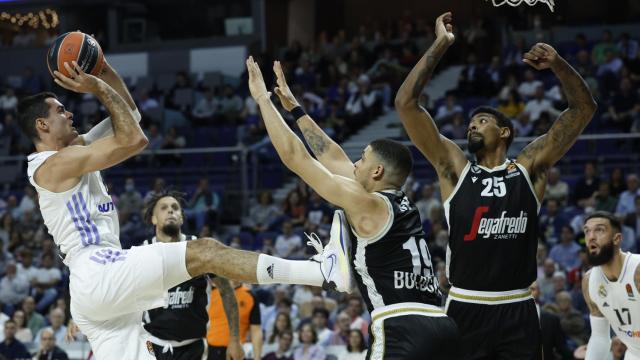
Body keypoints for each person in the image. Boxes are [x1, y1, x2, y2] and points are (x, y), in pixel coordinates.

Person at [19, 55, 349, 359]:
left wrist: (102, 66)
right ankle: (320, 272)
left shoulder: (75, 151)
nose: (70, 113)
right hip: (97, 270)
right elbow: (134, 140)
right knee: (205, 250)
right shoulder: (51, 167)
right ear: (42, 126)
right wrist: (98, 87)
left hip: (96, 290)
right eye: (60, 110)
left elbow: (130, 116)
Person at [395, 12, 597, 360]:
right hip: (465, 305)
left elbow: (583, 109)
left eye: (482, 121)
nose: (472, 126)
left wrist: (558, 65)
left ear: (504, 132)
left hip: (517, 306)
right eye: (471, 123)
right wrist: (441, 45)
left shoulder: (529, 168)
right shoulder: (455, 170)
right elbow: (406, 104)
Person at [246, 54, 459, 359]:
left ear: (377, 172)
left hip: (401, 325)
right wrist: (295, 108)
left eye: (361, 159)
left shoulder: (368, 204)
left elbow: (296, 157)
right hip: (441, 324)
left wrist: (263, 100)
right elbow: (332, 156)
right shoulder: (400, 204)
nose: (354, 164)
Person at [140, 191, 240, 359]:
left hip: (194, 347)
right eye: (164, 208)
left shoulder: (199, 251)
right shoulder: (143, 253)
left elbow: (227, 291)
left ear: (182, 218)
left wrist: (235, 340)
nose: (171, 211)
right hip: (152, 345)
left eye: (175, 208)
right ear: (154, 218)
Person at [581, 211, 640, 359]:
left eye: (599, 230)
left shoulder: (637, 271)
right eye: (587, 231)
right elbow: (599, 337)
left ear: (617, 239)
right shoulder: (589, 281)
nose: (591, 236)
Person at [207, 279, 263, 360]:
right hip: (210, 350)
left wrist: (257, 357)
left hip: (236, 352)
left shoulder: (250, 296)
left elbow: (256, 330)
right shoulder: (210, 292)